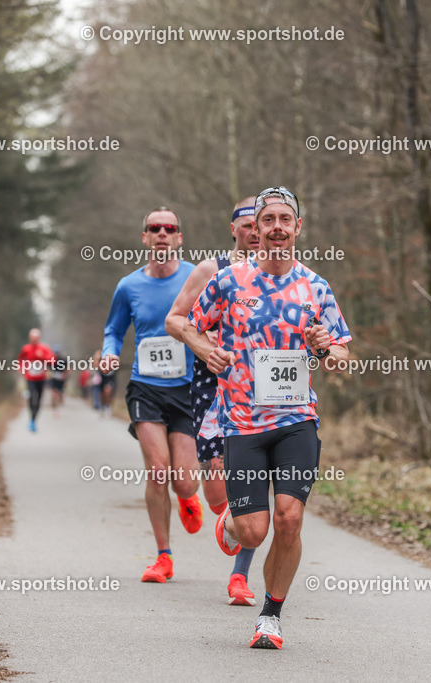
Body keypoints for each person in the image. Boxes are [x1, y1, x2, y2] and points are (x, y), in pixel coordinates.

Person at [184, 186, 351, 649]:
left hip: (297, 420)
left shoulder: (316, 287)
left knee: (290, 519)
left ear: (298, 228)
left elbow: (341, 356)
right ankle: (230, 524)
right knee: (254, 529)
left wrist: (327, 347)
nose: (276, 227)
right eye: (267, 220)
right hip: (243, 424)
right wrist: (205, 349)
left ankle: (271, 616)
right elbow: (186, 326)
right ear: (255, 230)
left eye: (285, 219)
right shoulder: (229, 281)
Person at [166, 196, 259, 606]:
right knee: (216, 472)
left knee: (253, 475)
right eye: (247, 223)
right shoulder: (212, 270)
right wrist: (205, 348)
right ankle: (226, 517)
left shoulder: (286, 273)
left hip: (264, 391)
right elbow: (176, 319)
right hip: (214, 384)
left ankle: (240, 577)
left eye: (264, 222)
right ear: (233, 228)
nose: (256, 231)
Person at [102, 206, 204, 583]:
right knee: (158, 470)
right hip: (145, 386)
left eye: (170, 228)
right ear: (144, 237)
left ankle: (188, 497)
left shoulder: (197, 278)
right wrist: (110, 351)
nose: (162, 233)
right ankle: (163, 556)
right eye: (154, 228)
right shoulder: (128, 286)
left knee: (183, 480)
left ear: (179, 237)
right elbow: (113, 329)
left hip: (189, 388)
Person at [16, 328, 53, 432]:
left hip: (41, 378)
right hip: (30, 377)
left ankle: (33, 420)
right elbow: (20, 360)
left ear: (39, 338)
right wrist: (21, 368)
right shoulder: (26, 349)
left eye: (36, 338)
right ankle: (31, 419)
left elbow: (52, 360)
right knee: (32, 397)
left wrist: (44, 357)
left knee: (39, 400)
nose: (34, 340)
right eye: (33, 338)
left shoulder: (44, 348)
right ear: (30, 338)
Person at [48, 345, 68, 417]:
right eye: (55, 352)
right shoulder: (51, 360)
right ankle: (55, 409)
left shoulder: (63, 360)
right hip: (53, 379)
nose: (57, 354)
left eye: (58, 352)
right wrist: (49, 374)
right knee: (54, 393)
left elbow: (67, 369)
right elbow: (48, 369)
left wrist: (64, 375)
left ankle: (58, 403)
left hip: (61, 380)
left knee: (59, 394)